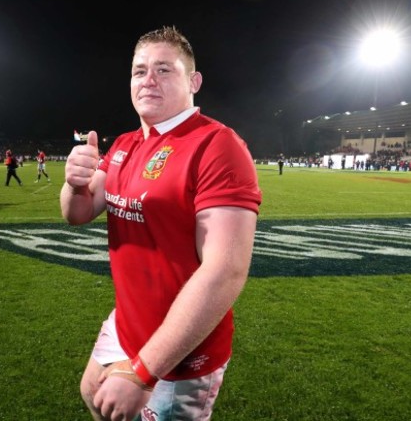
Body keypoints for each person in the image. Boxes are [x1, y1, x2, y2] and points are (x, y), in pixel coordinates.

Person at [60, 26, 262, 420]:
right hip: (127, 324)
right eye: (139, 71)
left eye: (164, 70)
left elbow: (225, 272)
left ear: (194, 81)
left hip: (181, 351)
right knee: (93, 394)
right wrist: (73, 184)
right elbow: (77, 213)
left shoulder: (217, 146)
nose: (148, 80)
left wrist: (142, 372)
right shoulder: (124, 144)